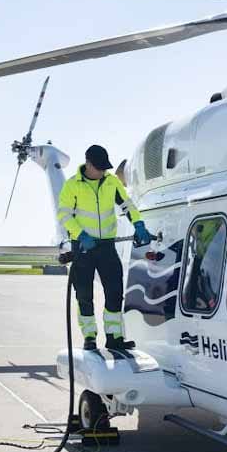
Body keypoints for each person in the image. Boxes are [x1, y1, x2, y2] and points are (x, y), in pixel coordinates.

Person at [57, 144, 154, 351]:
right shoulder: (72, 185)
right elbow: (64, 215)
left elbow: (127, 204)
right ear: (88, 164)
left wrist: (138, 224)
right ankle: (89, 337)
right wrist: (81, 235)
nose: (103, 171)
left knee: (115, 291)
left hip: (106, 247)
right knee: (84, 295)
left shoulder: (111, 181)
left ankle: (114, 337)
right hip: (83, 247)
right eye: (99, 168)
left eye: (105, 168)